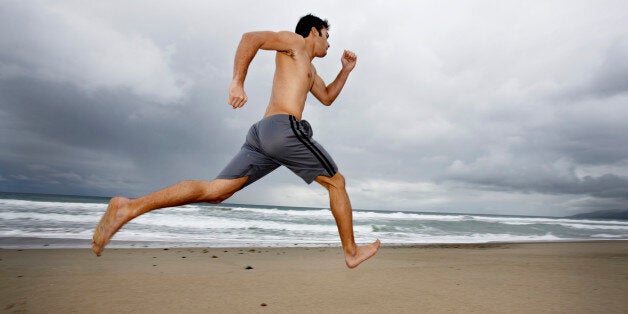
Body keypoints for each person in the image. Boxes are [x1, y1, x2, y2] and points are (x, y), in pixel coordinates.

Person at [92, 14, 380, 268]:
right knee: (336, 182)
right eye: (327, 37)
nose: (329, 45)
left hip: (263, 135)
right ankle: (351, 251)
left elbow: (327, 98)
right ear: (315, 31)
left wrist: (345, 70)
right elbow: (250, 38)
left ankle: (128, 207)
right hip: (282, 129)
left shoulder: (310, 69)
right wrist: (237, 82)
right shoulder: (294, 41)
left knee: (215, 191)